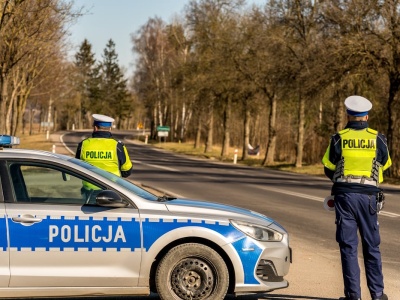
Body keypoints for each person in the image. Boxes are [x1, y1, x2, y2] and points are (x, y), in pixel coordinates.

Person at [322, 95, 392, 300]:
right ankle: (377, 294)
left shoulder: (338, 138)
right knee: (372, 245)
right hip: (369, 198)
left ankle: (354, 296)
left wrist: (342, 181)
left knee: (348, 246)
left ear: (348, 115)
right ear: (366, 116)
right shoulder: (378, 138)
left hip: (345, 197)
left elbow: (328, 167)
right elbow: (385, 165)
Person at [76, 114, 133, 178]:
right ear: (110, 129)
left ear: (95, 128)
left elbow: (76, 168)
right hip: (112, 186)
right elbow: (127, 171)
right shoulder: (118, 146)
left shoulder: (83, 145)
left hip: (88, 187)